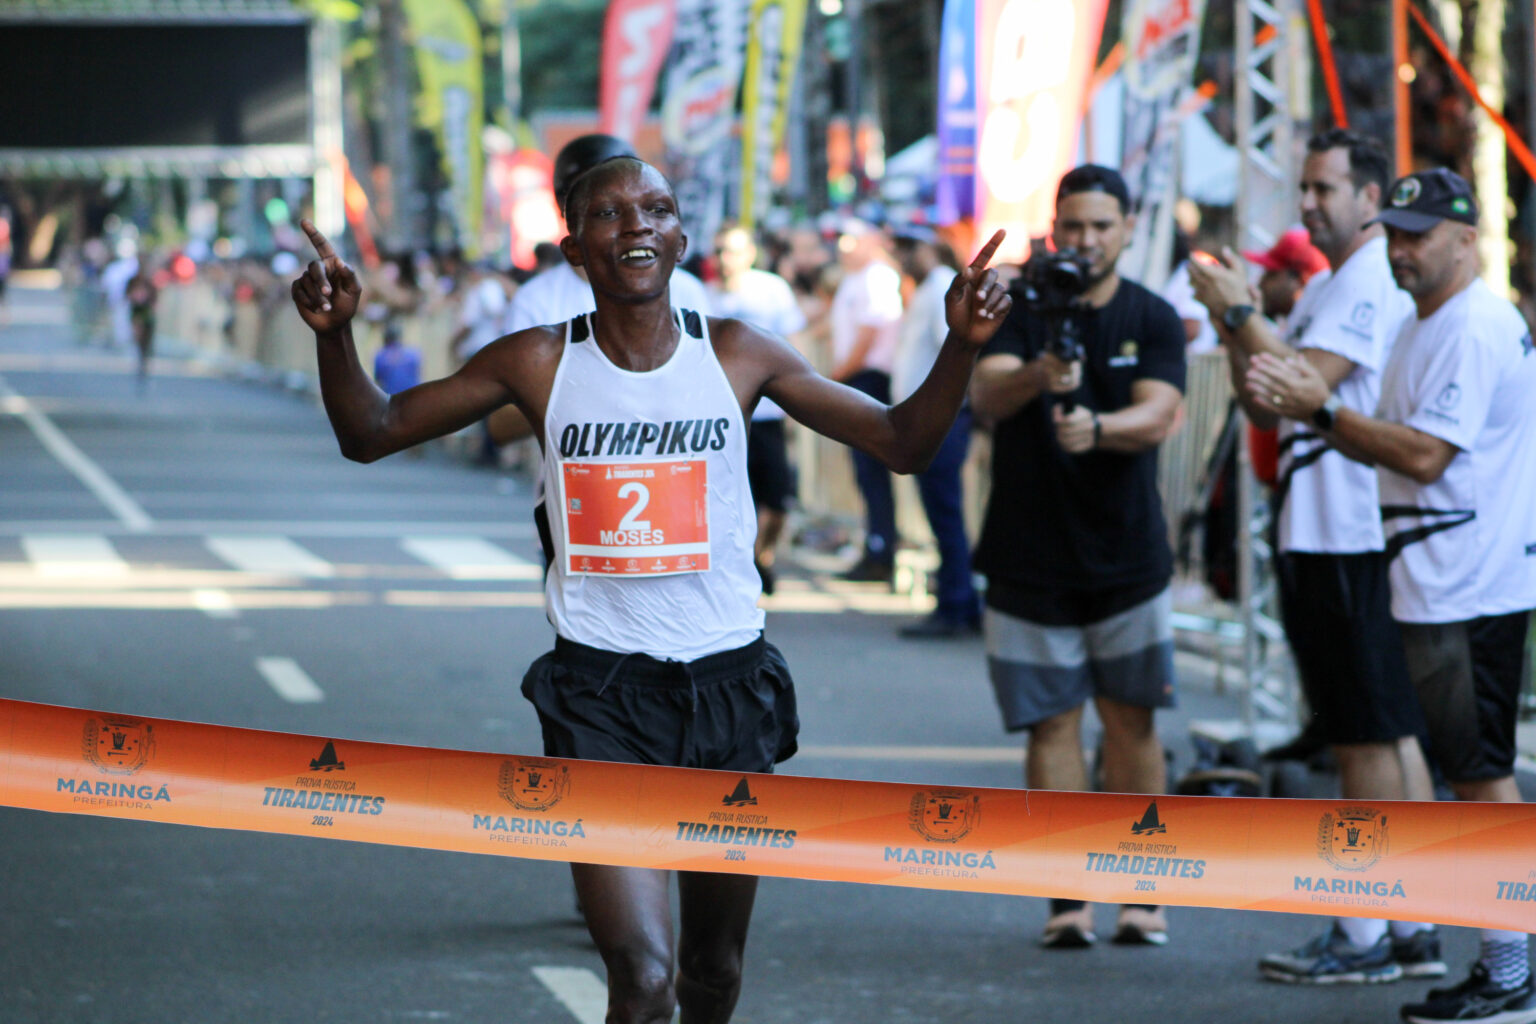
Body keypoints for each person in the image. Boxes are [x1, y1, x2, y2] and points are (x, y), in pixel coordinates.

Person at [290, 156, 1012, 1024]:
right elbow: (371, 432)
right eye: (609, 213)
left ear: (681, 238)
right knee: (642, 980)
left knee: (713, 972)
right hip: (601, 698)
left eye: (656, 209)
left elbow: (901, 441)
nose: (636, 225)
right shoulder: (538, 361)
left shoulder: (739, 354)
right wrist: (335, 335)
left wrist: (961, 346)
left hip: (729, 689)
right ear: (574, 249)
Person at [1249, 167, 1536, 1024]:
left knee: (1481, 777)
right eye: (1397, 233)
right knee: (1466, 770)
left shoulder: (1474, 325)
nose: (1402, 250)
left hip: (1467, 581)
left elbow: (1422, 456)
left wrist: (1321, 411)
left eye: (1418, 235)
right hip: (1440, 576)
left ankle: (1512, 965)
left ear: (1466, 237)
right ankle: (1482, 954)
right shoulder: (1433, 319)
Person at [1190, 129, 1443, 986]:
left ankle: (1370, 931)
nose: (1308, 203)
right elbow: (1264, 405)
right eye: (1304, 187)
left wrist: (1236, 312)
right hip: (1323, 530)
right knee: (1376, 727)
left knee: (1367, 735)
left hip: (1348, 532)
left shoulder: (1369, 279)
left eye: (1325, 189)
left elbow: (1305, 380)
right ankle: (1406, 922)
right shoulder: (1332, 284)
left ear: (1371, 201)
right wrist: (1243, 325)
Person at [969, 164, 1186, 949]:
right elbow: (985, 397)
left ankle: (1142, 890)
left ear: (1128, 228)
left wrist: (1100, 429)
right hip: (1028, 561)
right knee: (1050, 727)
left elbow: (1162, 411)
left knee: (1133, 724)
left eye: (1102, 226)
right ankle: (1068, 898)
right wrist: (1039, 376)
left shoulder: (1152, 314)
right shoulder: (1021, 306)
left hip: (1128, 560)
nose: (1087, 241)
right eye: (1075, 226)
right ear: (1055, 228)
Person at [487, 133, 714, 450]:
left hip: (681, 486)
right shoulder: (536, 301)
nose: (633, 224)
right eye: (607, 210)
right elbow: (501, 422)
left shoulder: (689, 294)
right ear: (569, 218)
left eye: (648, 205)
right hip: (575, 493)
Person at [890, 222, 982, 637]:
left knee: (945, 514)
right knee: (941, 514)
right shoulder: (926, 289)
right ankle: (959, 600)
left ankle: (956, 603)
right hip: (928, 419)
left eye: (912, 246)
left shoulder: (943, 287)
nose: (905, 255)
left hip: (942, 420)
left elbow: (955, 355)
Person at [709, 224, 808, 595]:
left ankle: (761, 556)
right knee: (732, 499)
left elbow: (795, 345)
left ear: (750, 253)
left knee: (778, 496)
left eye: (732, 250)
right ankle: (741, 564)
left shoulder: (772, 290)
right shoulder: (703, 297)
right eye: (719, 250)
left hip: (767, 415)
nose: (724, 259)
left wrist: (799, 404)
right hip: (724, 420)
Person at [827, 219, 905, 583]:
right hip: (857, 377)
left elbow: (872, 330)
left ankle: (881, 549)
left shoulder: (876, 277)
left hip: (868, 379)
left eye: (852, 240)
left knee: (871, 471)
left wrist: (841, 373)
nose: (845, 248)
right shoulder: (858, 277)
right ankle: (877, 544)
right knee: (865, 472)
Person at [125, 263, 159, 388]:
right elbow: (127, 295)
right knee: (138, 337)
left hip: (147, 313)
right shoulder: (132, 281)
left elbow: (155, 300)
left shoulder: (150, 283)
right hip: (137, 312)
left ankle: (145, 361)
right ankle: (140, 358)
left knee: (147, 340)